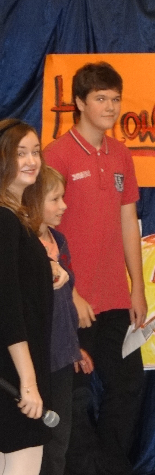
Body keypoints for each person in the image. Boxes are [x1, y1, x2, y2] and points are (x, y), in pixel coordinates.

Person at [44, 62, 147, 475]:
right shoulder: (56, 154)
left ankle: (111, 466)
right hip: (73, 302)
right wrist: (69, 293)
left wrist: (137, 287)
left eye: (115, 98)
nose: (110, 106)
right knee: (75, 396)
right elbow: (41, 231)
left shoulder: (121, 153)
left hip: (116, 298)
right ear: (80, 103)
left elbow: (129, 221)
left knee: (129, 386)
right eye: (101, 98)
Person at [0, 119, 53, 475]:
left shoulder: (14, 218)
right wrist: (29, 382)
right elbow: (7, 305)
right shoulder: (5, 219)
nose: (32, 160)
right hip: (14, 369)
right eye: (21, 153)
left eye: (35, 152)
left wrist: (50, 269)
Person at [38, 165, 94, 475]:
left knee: (59, 437)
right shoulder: (21, 243)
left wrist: (73, 347)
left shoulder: (59, 241)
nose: (64, 206)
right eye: (55, 199)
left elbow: (65, 304)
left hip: (60, 357)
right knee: (33, 439)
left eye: (63, 197)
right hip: (33, 358)